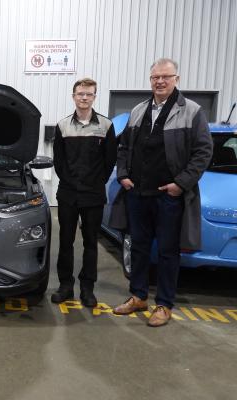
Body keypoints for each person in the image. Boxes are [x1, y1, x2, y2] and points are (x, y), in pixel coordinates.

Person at [111, 58, 213, 327]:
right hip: (138, 193)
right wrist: (123, 175)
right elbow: (122, 148)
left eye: (165, 77)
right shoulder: (138, 110)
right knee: (139, 248)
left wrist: (180, 184)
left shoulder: (191, 111)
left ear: (176, 79)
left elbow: (203, 152)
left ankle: (164, 304)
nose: (160, 81)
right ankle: (139, 296)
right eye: (155, 77)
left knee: (168, 251)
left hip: (169, 196)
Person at [51, 78, 117, 307]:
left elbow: (110, 160)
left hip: (93, 195)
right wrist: (72, 183)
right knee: (66, 242)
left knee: (91, 243)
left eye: (89, 94)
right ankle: (65, 286)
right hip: (68, 194)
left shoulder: (106, 126)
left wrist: (95, 183)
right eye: (80, 93)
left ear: (94, 96)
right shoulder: (63, 126)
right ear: (73, 96)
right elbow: (58, 162)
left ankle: (87, 288)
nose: (84, 97)